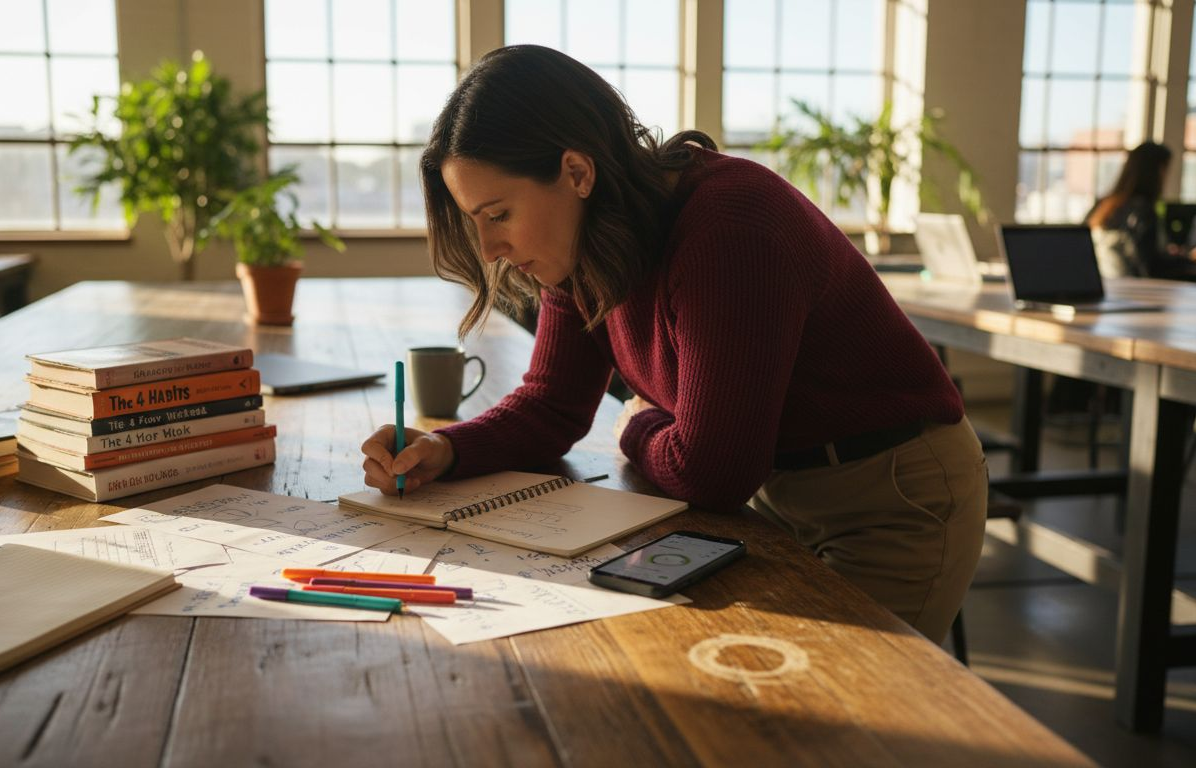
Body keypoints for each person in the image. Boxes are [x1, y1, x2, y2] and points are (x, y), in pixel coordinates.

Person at [359, 45, 987, 644]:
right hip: (773, 496)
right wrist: (444, 449)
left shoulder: (731, 225)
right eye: (475, 222)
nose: (491, 249)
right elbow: (552, 404)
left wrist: (634, 422)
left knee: (850, 734)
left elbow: (712, 471)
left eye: (498, 215)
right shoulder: (582, 248)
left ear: (576, 172)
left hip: (893, 495)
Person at [1086, 141, 1196, 277]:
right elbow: (1150, 266)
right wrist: (1190, 258)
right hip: (1135, 291)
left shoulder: (1102, 206)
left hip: (1106, 286)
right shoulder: (1143, 211)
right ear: (1158, 171)